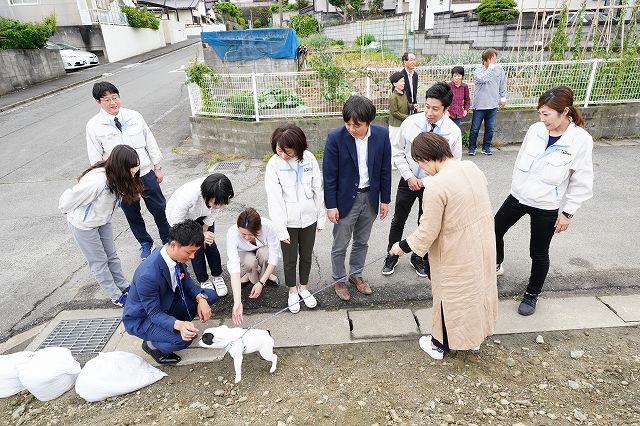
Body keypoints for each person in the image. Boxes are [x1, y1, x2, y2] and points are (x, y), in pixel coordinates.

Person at [390, 132, 497, 360]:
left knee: (450, 295)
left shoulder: (436, 186)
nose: (422, 169)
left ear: (426, 159)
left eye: (420, 164)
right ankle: (473, 338)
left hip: (455, 250)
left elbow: (427, 231)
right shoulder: (471, 167)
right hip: (481, 243)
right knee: (476, 291)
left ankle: (439, 343)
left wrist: (401, 246)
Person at [495, 86, 593, 316]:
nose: (542, 119)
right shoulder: (536, 130)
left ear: (564, 111)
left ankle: (532, 294)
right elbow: (521, 160)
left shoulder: (580, 140)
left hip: (546, 205)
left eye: (547, 114)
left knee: (538, 252)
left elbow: (582, 179)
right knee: (493, 229)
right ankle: (497, 263)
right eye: (540, 113)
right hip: (519, 196)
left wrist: (568, 212)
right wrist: (516, 185)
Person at [383, 82, 462, 277]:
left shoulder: (453, 132)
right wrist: (409, 176)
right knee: (398, 219)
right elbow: (397, 151)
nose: (429, 112)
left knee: (425, 221)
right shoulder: (410, 123)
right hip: (408, 179)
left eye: (435, 109)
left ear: (446, 109)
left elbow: (455, 163)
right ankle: (391, 254)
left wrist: (428, 182)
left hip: (433, 185)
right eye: (427, 106)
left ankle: (418, 256)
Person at [86, 81, 170, 260]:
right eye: (106, 100)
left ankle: (168, 240)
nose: (112, 103)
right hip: (121, 178)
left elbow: (150, 141)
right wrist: (105, 181)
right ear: (98, 102)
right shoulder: (94, 126)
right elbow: (95, 157)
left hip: (145, 171)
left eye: (115, 97)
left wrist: (157, 167)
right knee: (132, 214)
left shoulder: (134, 116)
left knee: (159, 208)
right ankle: (145, 242)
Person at [323, 95, 392, 301]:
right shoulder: (336, 137)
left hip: (370, 197)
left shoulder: (381, 135)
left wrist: (385, 200)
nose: (351, 128)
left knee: (362, 241)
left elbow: (385, 169)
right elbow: (329, 175)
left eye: (357, 125)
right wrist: (331, 205)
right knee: (340, 243)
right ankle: (339, 278)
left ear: (368, 122)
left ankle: (356, 274)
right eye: (348, 123)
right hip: (345, 200)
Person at [123, 220, 218, 364]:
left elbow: (187, 283)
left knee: (209, 295)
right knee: (183, 339)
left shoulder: (173, 254)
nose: (192, 257)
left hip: (167, 303)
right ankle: (152, 345)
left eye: (194, 252)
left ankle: (172, 326)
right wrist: (179, 325)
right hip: (144, 318)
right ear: (174, 245)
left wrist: (201, 298)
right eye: (189, 252)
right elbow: (153, 313)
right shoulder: (148, 275)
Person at [59, 145, 143, 307]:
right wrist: (71, 214)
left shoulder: (118, 176)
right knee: (99, 261)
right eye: (132, 168)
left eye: (136, 167)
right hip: (84, 225)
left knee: (111, 255)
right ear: (121, 166)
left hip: (102, 220)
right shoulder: (96, 181)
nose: (134, 172)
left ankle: (123, 285)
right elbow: (68, 199)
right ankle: (115, 295)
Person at [265, 125, 325, 314]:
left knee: (306, 256)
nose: (282, 154)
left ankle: (304, 288)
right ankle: (292, 291)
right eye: (278, 149)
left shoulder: (309, 159)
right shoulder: (274, 165)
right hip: (288, 222)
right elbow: (274, 200)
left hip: (309, 219)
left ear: (298, 147)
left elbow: (318, 189)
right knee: (290, 259)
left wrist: (320, 218)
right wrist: (281, 229)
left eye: (287, 151)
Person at [165, 173, 234, 298]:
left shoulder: (218, 193)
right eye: (215, 202)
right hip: (183, 219)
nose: (218, 206)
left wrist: (205, 229)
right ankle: (203, 280)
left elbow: (213, 212)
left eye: (221, 203)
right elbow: (177, 224)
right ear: (207, 195)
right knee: (196, 250)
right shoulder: (188, 197)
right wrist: (200, 235)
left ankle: (217, 276)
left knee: (210, 243)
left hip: (203, 215)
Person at [228, 208, 282, 325]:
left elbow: (274, 256)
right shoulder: (232, 233)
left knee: (266, 255)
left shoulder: (268, 226)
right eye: (243, 234)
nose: (247, 237)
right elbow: (233, 267)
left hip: (263, 250)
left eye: (251, 234)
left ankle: (265, 277)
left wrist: (261, 283)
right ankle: (250, 274)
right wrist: (237, 301)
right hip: (244, 253)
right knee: (250, 262)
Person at [468, 48, 507, 156]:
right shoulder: (478, 70)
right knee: (475, 129)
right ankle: (472, 148)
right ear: (485, 60)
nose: (494, 61)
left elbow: (502, 84)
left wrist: (503, 98)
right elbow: (483, 79)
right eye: (492, 58)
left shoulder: (499, 69)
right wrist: (490, 67)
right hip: (480, 105)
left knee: (490, 128)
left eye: (495, 58)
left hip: (493, 104)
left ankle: (486, 148)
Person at [388, 71, 409, 146]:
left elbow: (406, 104)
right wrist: (407, 117)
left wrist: (413, 106)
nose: (404, 83)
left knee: (402, 144)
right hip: (395, 126)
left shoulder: (404, 93)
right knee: (394, 144)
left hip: (403, 123)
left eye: (404, 81)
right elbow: (394, 112)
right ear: (394, 84)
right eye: (401, 81)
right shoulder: (393, 97)